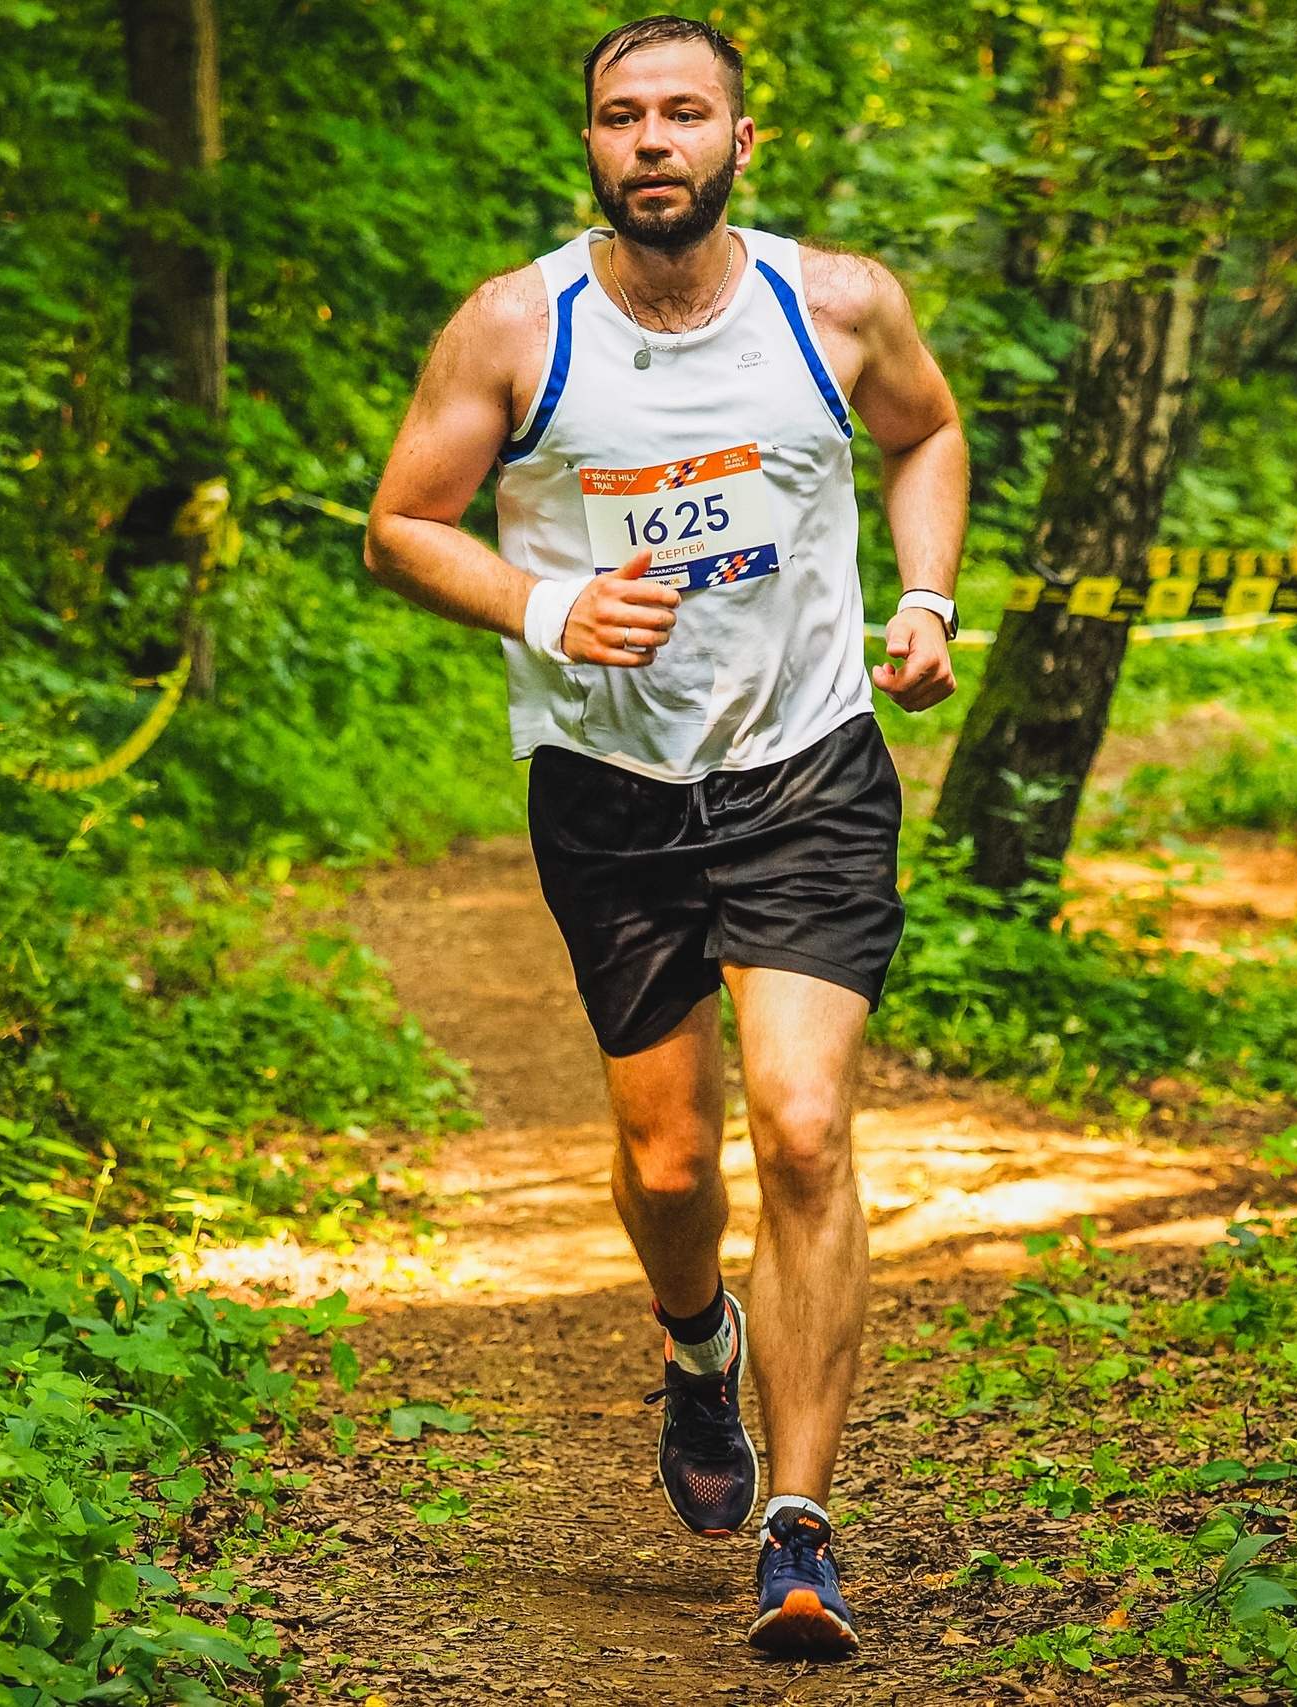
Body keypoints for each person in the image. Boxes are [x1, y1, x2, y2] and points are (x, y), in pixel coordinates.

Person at [364, 13, 965, 1660]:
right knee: (671, 1161)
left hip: (808, 768)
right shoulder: (513, 328)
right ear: (591, 147)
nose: (652, 142)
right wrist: (549, 602)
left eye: (683, 114)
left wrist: (924, 594)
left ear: (739, 142)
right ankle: (698, 1354)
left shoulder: (831, 305)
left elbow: (925, 433)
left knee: (807, 1124)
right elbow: (402, 527)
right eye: (622, 118)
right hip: (613, 793)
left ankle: (803, 1531)